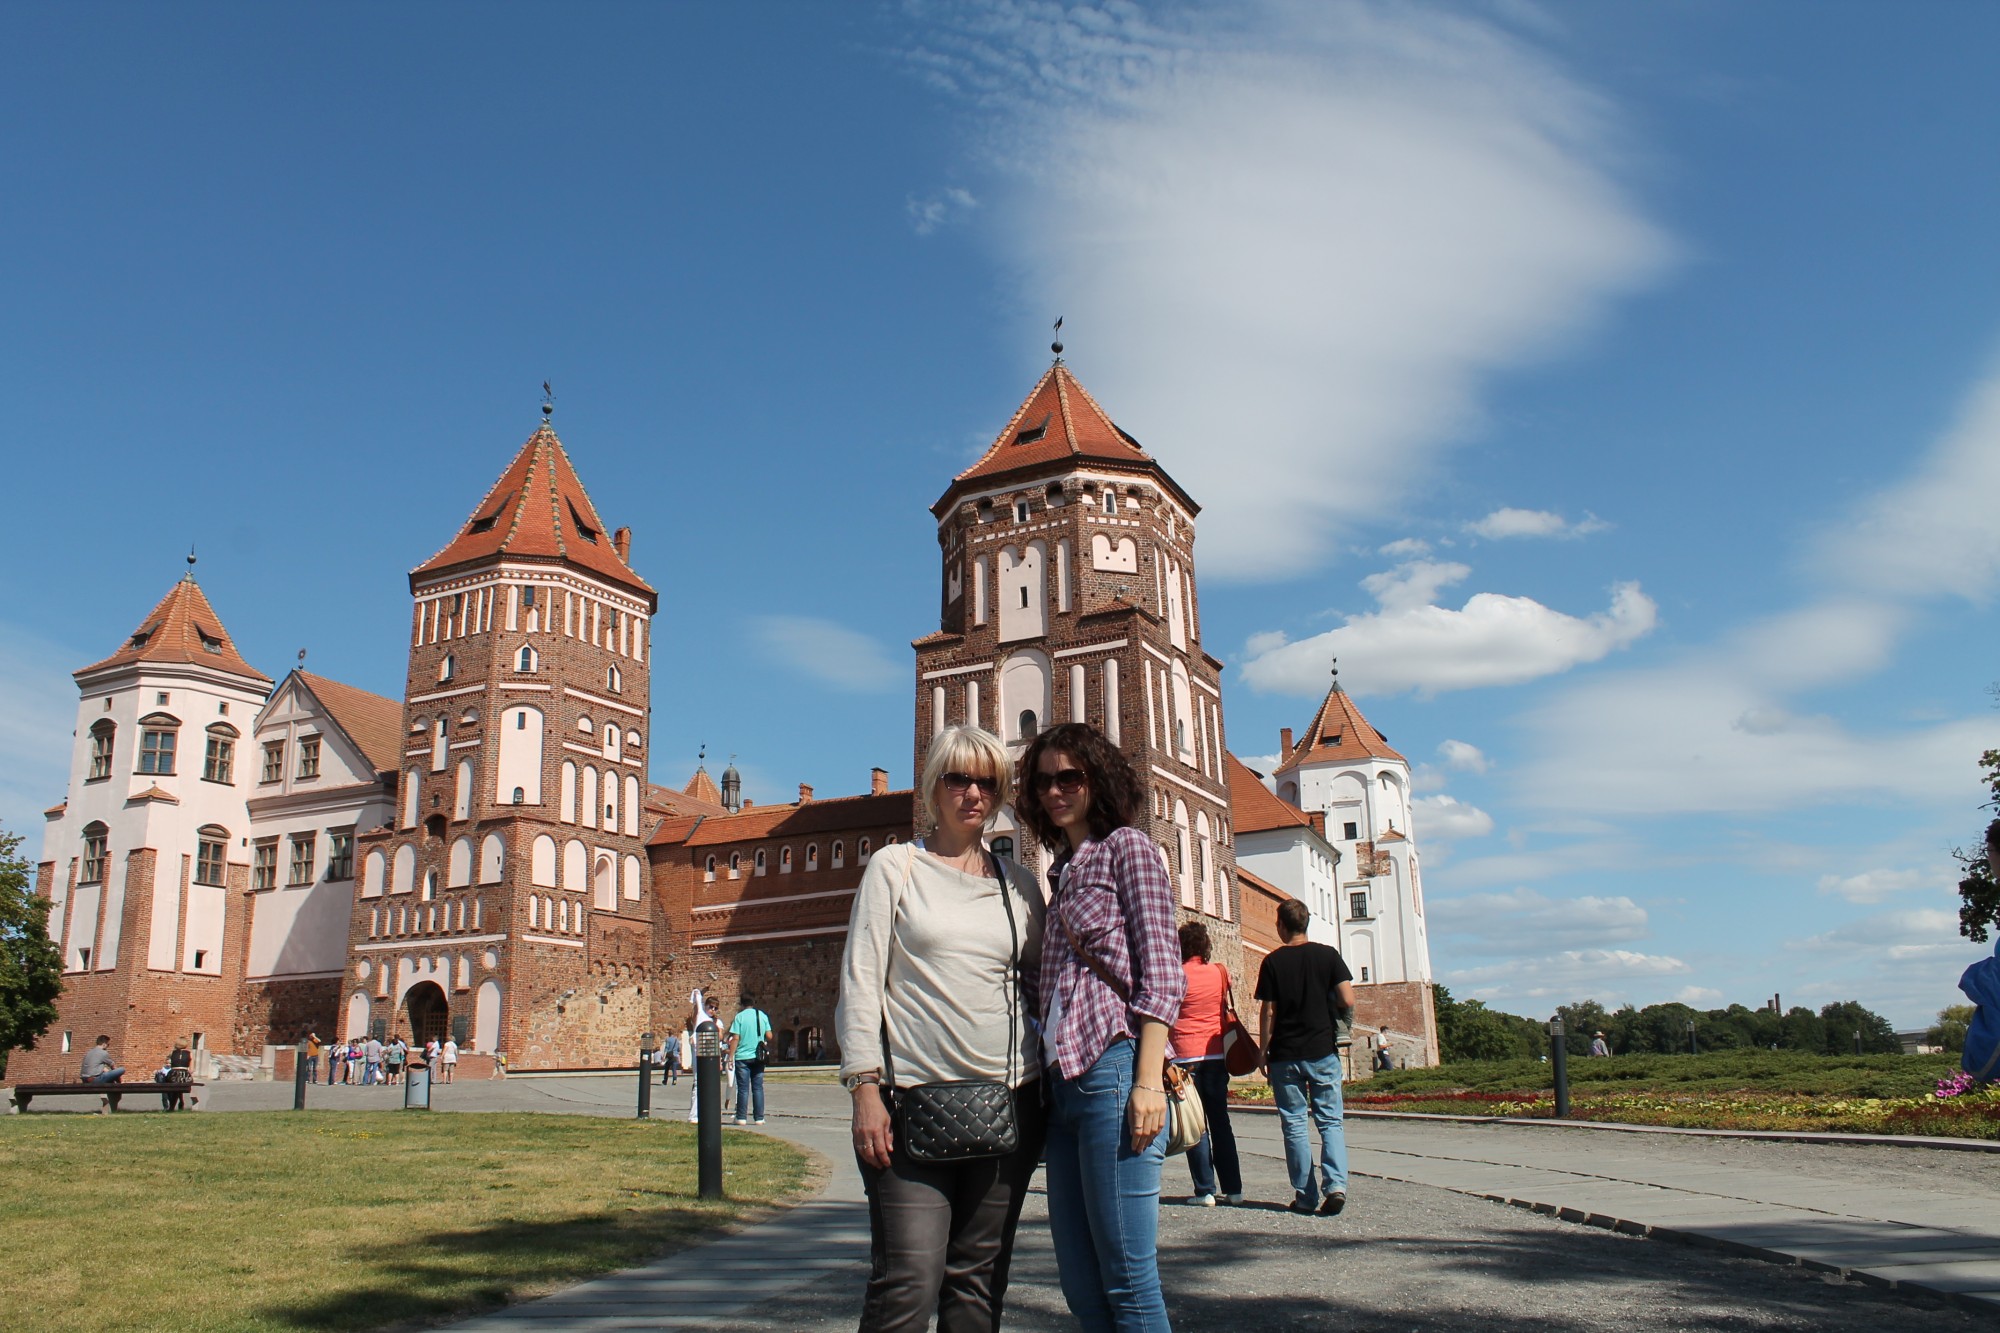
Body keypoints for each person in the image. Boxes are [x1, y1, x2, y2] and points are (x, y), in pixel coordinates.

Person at [837, 724, 1045, 1333]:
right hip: (911, 1105)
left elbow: (1045, 984)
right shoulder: (895, 868)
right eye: (959, 778)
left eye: (987, 781)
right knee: (907, 1284)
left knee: (978, 1285)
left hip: (1009, 1104)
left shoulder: (1019, 885)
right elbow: (860, 980)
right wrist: (865, 1089)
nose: (972, 794)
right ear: (934, 787)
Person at [1021, 721, 1183, 1333]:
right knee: (1080, 1284)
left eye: (1069, 777)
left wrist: (1146, 1084)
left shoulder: (1130, 850)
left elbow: (1163, 976)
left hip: (1114, 1076)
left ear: (1098, 779)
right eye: (1043, 782)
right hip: (1062, 1088)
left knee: (1129, 1278)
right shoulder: (1060, 874)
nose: (1055, 791)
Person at [1256, 898, 1355, 1217]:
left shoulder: (1272, 962)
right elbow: (1347, 998)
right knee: (1330, 1122)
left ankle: (1305, 1196)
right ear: (1306, 924)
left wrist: (1262, 1051)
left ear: (1282, 926)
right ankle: (1336, 1186)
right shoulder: (1328, 956)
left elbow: (1268, 1010)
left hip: (1285, 1055)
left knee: (1295, 1125)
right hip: (1322, 1050)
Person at [1169, 921, 1243, 1207]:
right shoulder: (1219, 972)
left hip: (1184, 1058)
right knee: (1221, 1121)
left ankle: (1205, 1191)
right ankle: (1234, 1189)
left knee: (1196, 1126)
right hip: (1215, 1056)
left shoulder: (1175, 975)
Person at [729, 994, 774, 1125]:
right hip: (758, 1057)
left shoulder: (739, 1017)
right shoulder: (762, 1015)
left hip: (742, 1057)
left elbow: (735, 1038)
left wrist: (730, 1056)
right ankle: (759, 1118)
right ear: (753, 1002)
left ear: (741, 1004)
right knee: (758, 1088)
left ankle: (741, 1117)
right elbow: (769, 1036)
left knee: (743, 1089)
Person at [687, 1000, 722, 1122]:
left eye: (715, 1008)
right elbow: (696, 1010)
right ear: (705, 1006)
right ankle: (693, 1115)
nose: (712, 1009)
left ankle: (709, 1112)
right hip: (700, 1053)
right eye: (710, 1007)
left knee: (711, 1084)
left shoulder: (717, 1022)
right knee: (698, 1082)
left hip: (712, 1055)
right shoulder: (699, 1017)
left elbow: (720, 1037)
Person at [163, 1039, 194, 1110]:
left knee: (175, 1084)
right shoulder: (190, 1054)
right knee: (180, 1084)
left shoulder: (172, 1053)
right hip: (185, 1076)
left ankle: (172, 1107)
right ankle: (180, 1102)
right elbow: (191, 1070)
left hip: (173, 1075)